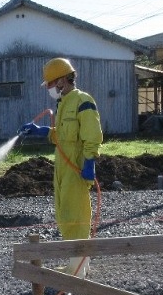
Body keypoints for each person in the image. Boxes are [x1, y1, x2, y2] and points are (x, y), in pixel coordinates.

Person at [19, 57, 103, 277]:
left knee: (76, 215)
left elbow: (91, 136)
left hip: (75, 166)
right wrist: (41, 131)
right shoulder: (63, 103)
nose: (48, 89)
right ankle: (76, 265)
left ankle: (77, 269)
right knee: (65, 214)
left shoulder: (83, 100)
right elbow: (62, 136)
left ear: (62, 80)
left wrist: (89, 163)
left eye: (49, 84)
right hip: (62, 166)